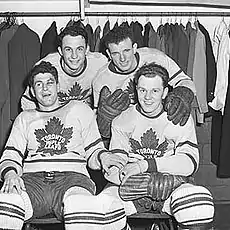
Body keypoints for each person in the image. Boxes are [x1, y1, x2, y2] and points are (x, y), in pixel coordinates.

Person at [0, 61, 128, 230]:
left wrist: (103, 156)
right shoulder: (24, 118)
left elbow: (93, 152)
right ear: (32, 91)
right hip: (33, 181)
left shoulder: (80, 109)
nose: (45, 88)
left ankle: (103, 212)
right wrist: (10, 174)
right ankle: (102, 211)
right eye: (39, 84)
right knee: (7, 204)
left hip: (72, 178)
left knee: (78, 205)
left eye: (50, 83)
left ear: (58, 86)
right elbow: (11, 155)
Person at [105, 62, 214, 230]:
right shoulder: (123, 119)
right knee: (98, 210)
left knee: (199, 205)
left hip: (170, 186)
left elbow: (190, 163)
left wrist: (145, 166)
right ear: (136, 90)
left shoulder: (178, 116)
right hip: (132, 188)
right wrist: (144, 181)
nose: (147, 97)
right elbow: (113, 168)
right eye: (142, 90)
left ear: (165, 92)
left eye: (154, 91)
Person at [92, 24, 195, 143]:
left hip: (159, 125)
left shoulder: (155, 57)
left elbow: (185, 81)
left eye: (126, 51)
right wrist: (104, 119)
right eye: (116, 53)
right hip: (127, 134)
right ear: (109, 54)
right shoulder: (101, 80)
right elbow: (98, 127)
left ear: (134, 48)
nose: (122, 58)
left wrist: (182, 93)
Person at [21, 24, 108, 110]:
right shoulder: (46, 68)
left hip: (85, 116)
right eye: (68, 49)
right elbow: (27, 101)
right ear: (60, 51)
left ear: (87, 50)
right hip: (56, 116)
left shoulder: (100, 63)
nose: (74, 56)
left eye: (79, 49)